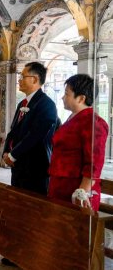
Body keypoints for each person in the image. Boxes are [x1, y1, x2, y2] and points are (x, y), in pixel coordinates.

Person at [1, 62, 57, 267]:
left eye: (23, 76)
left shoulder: (46, 104)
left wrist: (14, 155)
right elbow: (13, 130)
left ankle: (33, 252)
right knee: (18, 209)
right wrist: (6, 150)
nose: (19, 79)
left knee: (33, 212)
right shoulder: (22, 103)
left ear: (34, 79)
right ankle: (17, 250)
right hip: (19, 168)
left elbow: (37, 135)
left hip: (36, 167)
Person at [48, 74, 108, 212]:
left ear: (81, 98)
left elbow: (94, 163)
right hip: (60, 185)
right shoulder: (73, 119)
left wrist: (82, 191)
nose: (63, 97)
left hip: (75, 189)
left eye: (67, 94)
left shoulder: (93, 123)